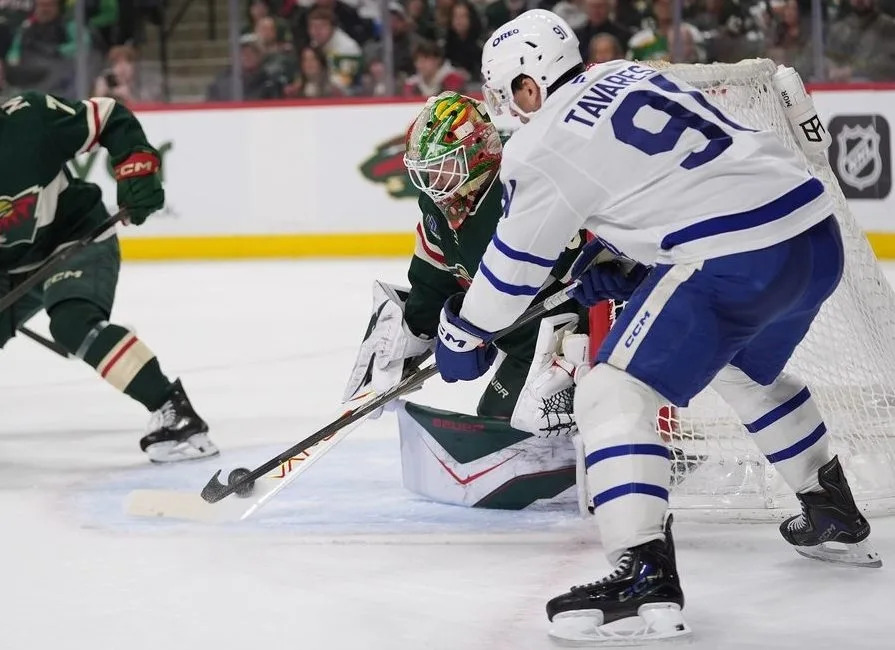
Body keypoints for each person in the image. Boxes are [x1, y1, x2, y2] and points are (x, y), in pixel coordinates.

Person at [434, 8, 881, 643]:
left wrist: (462, 334)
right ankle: (832, 508)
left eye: (506, 93)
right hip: (811, 235)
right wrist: (630, 254)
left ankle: (643, 573)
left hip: (736, 255)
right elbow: (681, 176)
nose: (507, 108)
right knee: (739, 366)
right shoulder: (627, 74)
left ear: (530, 84)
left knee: (609, 391)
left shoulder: (543, 142)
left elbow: (506, 285)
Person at [344, 91, 589, 434]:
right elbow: (434, 281)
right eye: (428, 172)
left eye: (443, 167)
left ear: (478, 155)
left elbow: (585, 277)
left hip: (571, 338)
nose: (435, 183)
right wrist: (408, 342)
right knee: (497, 420)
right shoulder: (439, 207)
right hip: (520, 342)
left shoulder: (523, 189)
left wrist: (471, 329)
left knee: (517, 423)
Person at [0, 91, 219, 463]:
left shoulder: (30, 121)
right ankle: (112, 348)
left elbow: (109, 117)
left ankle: (176, 413)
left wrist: (137, 165)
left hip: (73, 237)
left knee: (73, 324)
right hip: (8, 268)